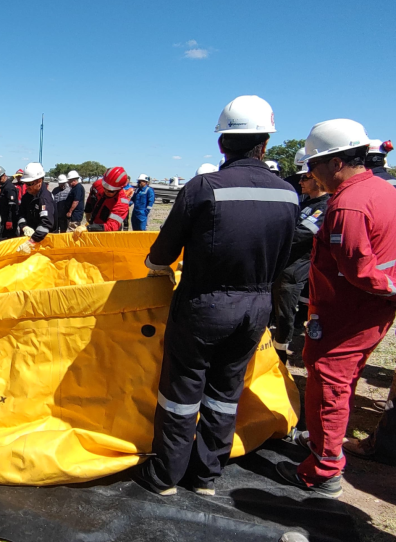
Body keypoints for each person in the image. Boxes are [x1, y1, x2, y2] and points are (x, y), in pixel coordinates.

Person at [136, 95, 298, 496]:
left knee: (181, 391)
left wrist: (156, 267)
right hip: (257, 306)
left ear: (223, 144)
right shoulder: (289, 195)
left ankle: (165, 476)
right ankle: (206, 476)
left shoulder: (205, 187)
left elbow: (162, 255)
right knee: (226, 392)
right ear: (265, 145)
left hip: (205, 305)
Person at [276, 119, 396, 498]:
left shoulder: (347, 206)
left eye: (313, 166)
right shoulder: (383, 191)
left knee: (328, 383)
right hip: (368, 316)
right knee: (342, 382)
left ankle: (323, 470)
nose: (310, 175)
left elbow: (360, 271)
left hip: (346, 315)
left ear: (337, 163)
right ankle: (320, 441)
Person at [271, 162, 329, 363]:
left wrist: (271, 239)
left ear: (317, 180)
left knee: (285, 313)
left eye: (305, 178)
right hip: (281, 267)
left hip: (294, 270)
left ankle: (280, 353)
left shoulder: (324, 207)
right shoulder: (303, 204)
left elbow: (300, 234)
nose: (300, 182)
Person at [16, 163, 56, 254]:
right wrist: (24, 227)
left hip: (44, 241)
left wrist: (31, 242)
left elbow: (46, 224)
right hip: (30, 238)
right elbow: (21, 214)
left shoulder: (45, 198)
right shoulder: (27, 197)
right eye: (26, 183)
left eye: (30, 183)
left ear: (39, 181)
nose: (27, 186)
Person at [77, 167, 130, 232]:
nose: (106, 191)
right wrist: (88, 211)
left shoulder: (122, 203)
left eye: (111, 191)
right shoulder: (98, 184)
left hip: (107, 233)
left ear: (119, 189)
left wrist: (89, 228)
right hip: (94, 223)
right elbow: (91, 197)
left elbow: (112, 226)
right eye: (104, 187)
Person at [0, 166, 20, 241]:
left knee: (10, 238)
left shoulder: (9, 188)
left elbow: (12, 206)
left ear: (4, 176)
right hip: (4, 217)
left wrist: (9, 220)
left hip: (10, 219)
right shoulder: (4, 187)